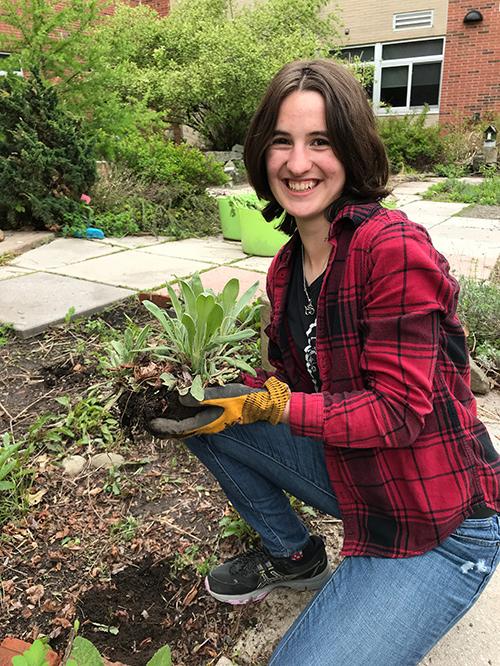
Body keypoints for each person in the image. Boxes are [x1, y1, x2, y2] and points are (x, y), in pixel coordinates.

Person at [149, 60, 500, 665]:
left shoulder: (391, 247)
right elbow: (294, 386)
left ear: (353, 152)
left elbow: (397, 414)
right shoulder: (287, 269)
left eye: (321, 142)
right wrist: (226, 390)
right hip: (363, 479)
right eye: (282, 141)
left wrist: (272, 403)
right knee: (209, 413)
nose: (298, 162)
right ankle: (294, 556)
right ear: (262, 153)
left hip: (439, 522)